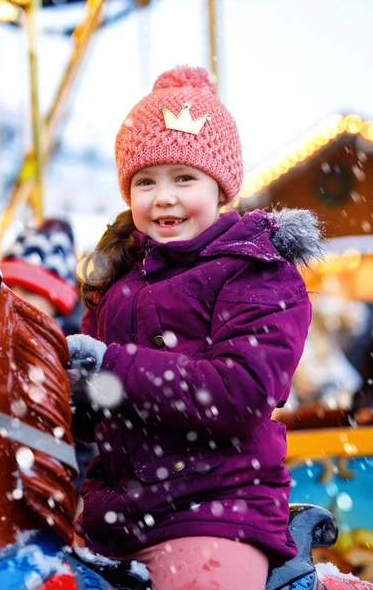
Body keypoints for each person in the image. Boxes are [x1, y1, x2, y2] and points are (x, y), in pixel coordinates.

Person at [66, 66, 322, 590]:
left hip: (216, 512)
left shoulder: (257, 272)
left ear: (221, 188)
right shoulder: (117, 283)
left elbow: (238, 393)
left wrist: (110, 365)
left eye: (184, 178)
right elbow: (93, 410)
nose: (163, 197)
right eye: (145, 181)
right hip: (112, 519)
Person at [0, 218, 96, 491]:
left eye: (29, 291)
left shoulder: (74, 358)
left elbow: (81, 446)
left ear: (58, 300)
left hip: (44, 485)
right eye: (9, 286)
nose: (16, 298)